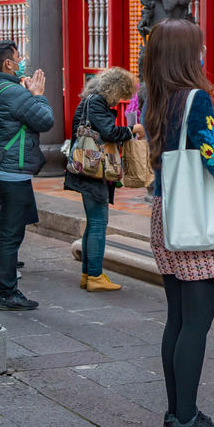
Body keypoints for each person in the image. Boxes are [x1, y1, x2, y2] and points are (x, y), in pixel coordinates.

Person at [142, 18, 214, 427]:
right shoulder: (196, 99)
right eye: (198, 46)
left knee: (177, 318)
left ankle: (176, 412)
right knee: (197, 322)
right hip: (192, 217)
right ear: (185, 55)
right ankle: (186, 421)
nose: (203, 52)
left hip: (165, 212)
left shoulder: (156, 97)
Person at [0, 40, 54, 311]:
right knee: (10, 236)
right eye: (17, 57)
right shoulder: (14, 93)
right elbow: (45, 120)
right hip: (12, 174)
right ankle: (8, 293)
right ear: (8, 64)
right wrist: (37, 94)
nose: (22, 60)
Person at [64, 67, 144, 292]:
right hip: (93, 172)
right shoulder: (97, 103)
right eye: (121, 95)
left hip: (88, 169)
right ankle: (95, 276)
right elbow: (109, 132)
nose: (119, 100)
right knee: (98, 223)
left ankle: (88, 275)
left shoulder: (90, 101)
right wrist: (132, 129)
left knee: (93, 222)